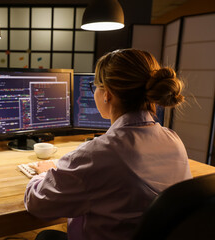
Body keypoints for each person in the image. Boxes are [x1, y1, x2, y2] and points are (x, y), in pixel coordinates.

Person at [24, 48, 192, 240]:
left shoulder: (98, 154)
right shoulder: (174, 140)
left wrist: (45, 173)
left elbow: (38, 204)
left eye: (95, 86)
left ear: (107, 94)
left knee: (45, 237)